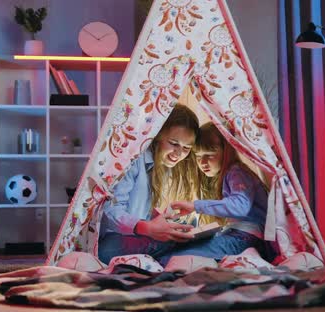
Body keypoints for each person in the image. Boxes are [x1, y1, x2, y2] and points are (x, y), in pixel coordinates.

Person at [97, 104, 200, 264]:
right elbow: (110, 211)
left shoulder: (162, 166)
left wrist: (163, 221)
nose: (179, 154)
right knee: (181, 242)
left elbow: (140, 211)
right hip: (110, 242)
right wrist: (149, 228)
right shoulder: (134, 159)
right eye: (173, 143)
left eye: (186, 148)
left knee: (187, 236)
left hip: (135, 237)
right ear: (157, 136)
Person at [158, 122, 269, 265]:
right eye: (198, 156)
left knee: (170, 259)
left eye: (209, 155)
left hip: (246, 239)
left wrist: (195, 206)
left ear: (226, 150)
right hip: (237, 235)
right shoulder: (230, 174)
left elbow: (240, 206)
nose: (202, 162)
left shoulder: (237, 172)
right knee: (171, 252)